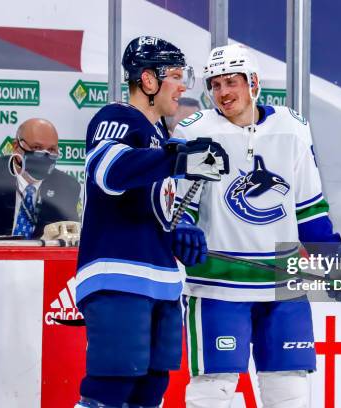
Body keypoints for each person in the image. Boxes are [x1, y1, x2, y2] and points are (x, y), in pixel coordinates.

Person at [173, 44, 341, 408]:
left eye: (231, 82)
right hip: (218, 285)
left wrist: (334, 258)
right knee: (213, 389)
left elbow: (308, 208)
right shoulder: (194, 132)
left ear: (253, 82)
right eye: (215, 85)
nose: (223, 93)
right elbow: (181, 209)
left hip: (282, 286)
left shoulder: (292, 128)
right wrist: (181, 231)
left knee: (289, 391)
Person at [74, 36, 229, 408]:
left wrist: (178, 232)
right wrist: (178, 161)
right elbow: (108, 172)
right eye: (175, 76)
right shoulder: (117, 117)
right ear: (147, 81)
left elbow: (150, 206)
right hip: (119, 275)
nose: (183, 86)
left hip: (161, 283)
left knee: (150, 390)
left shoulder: (163, 137)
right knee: (111, 388)